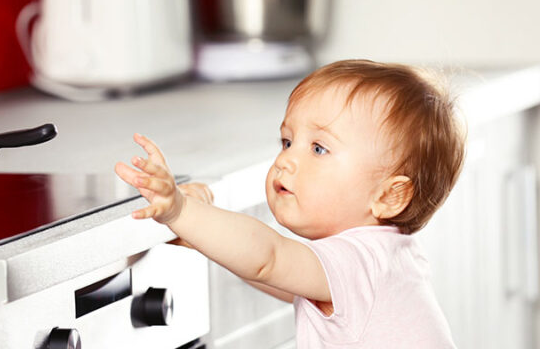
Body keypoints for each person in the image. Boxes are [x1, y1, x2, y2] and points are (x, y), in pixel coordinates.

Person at [115, 59, 465, 348]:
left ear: (389, 196)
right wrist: (200, 234)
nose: (286, 161)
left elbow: (268, 258)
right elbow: (283, 277)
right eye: (286, 141)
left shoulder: (358, 261)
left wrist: (183, 211)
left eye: (318, 148)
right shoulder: (386, 258)